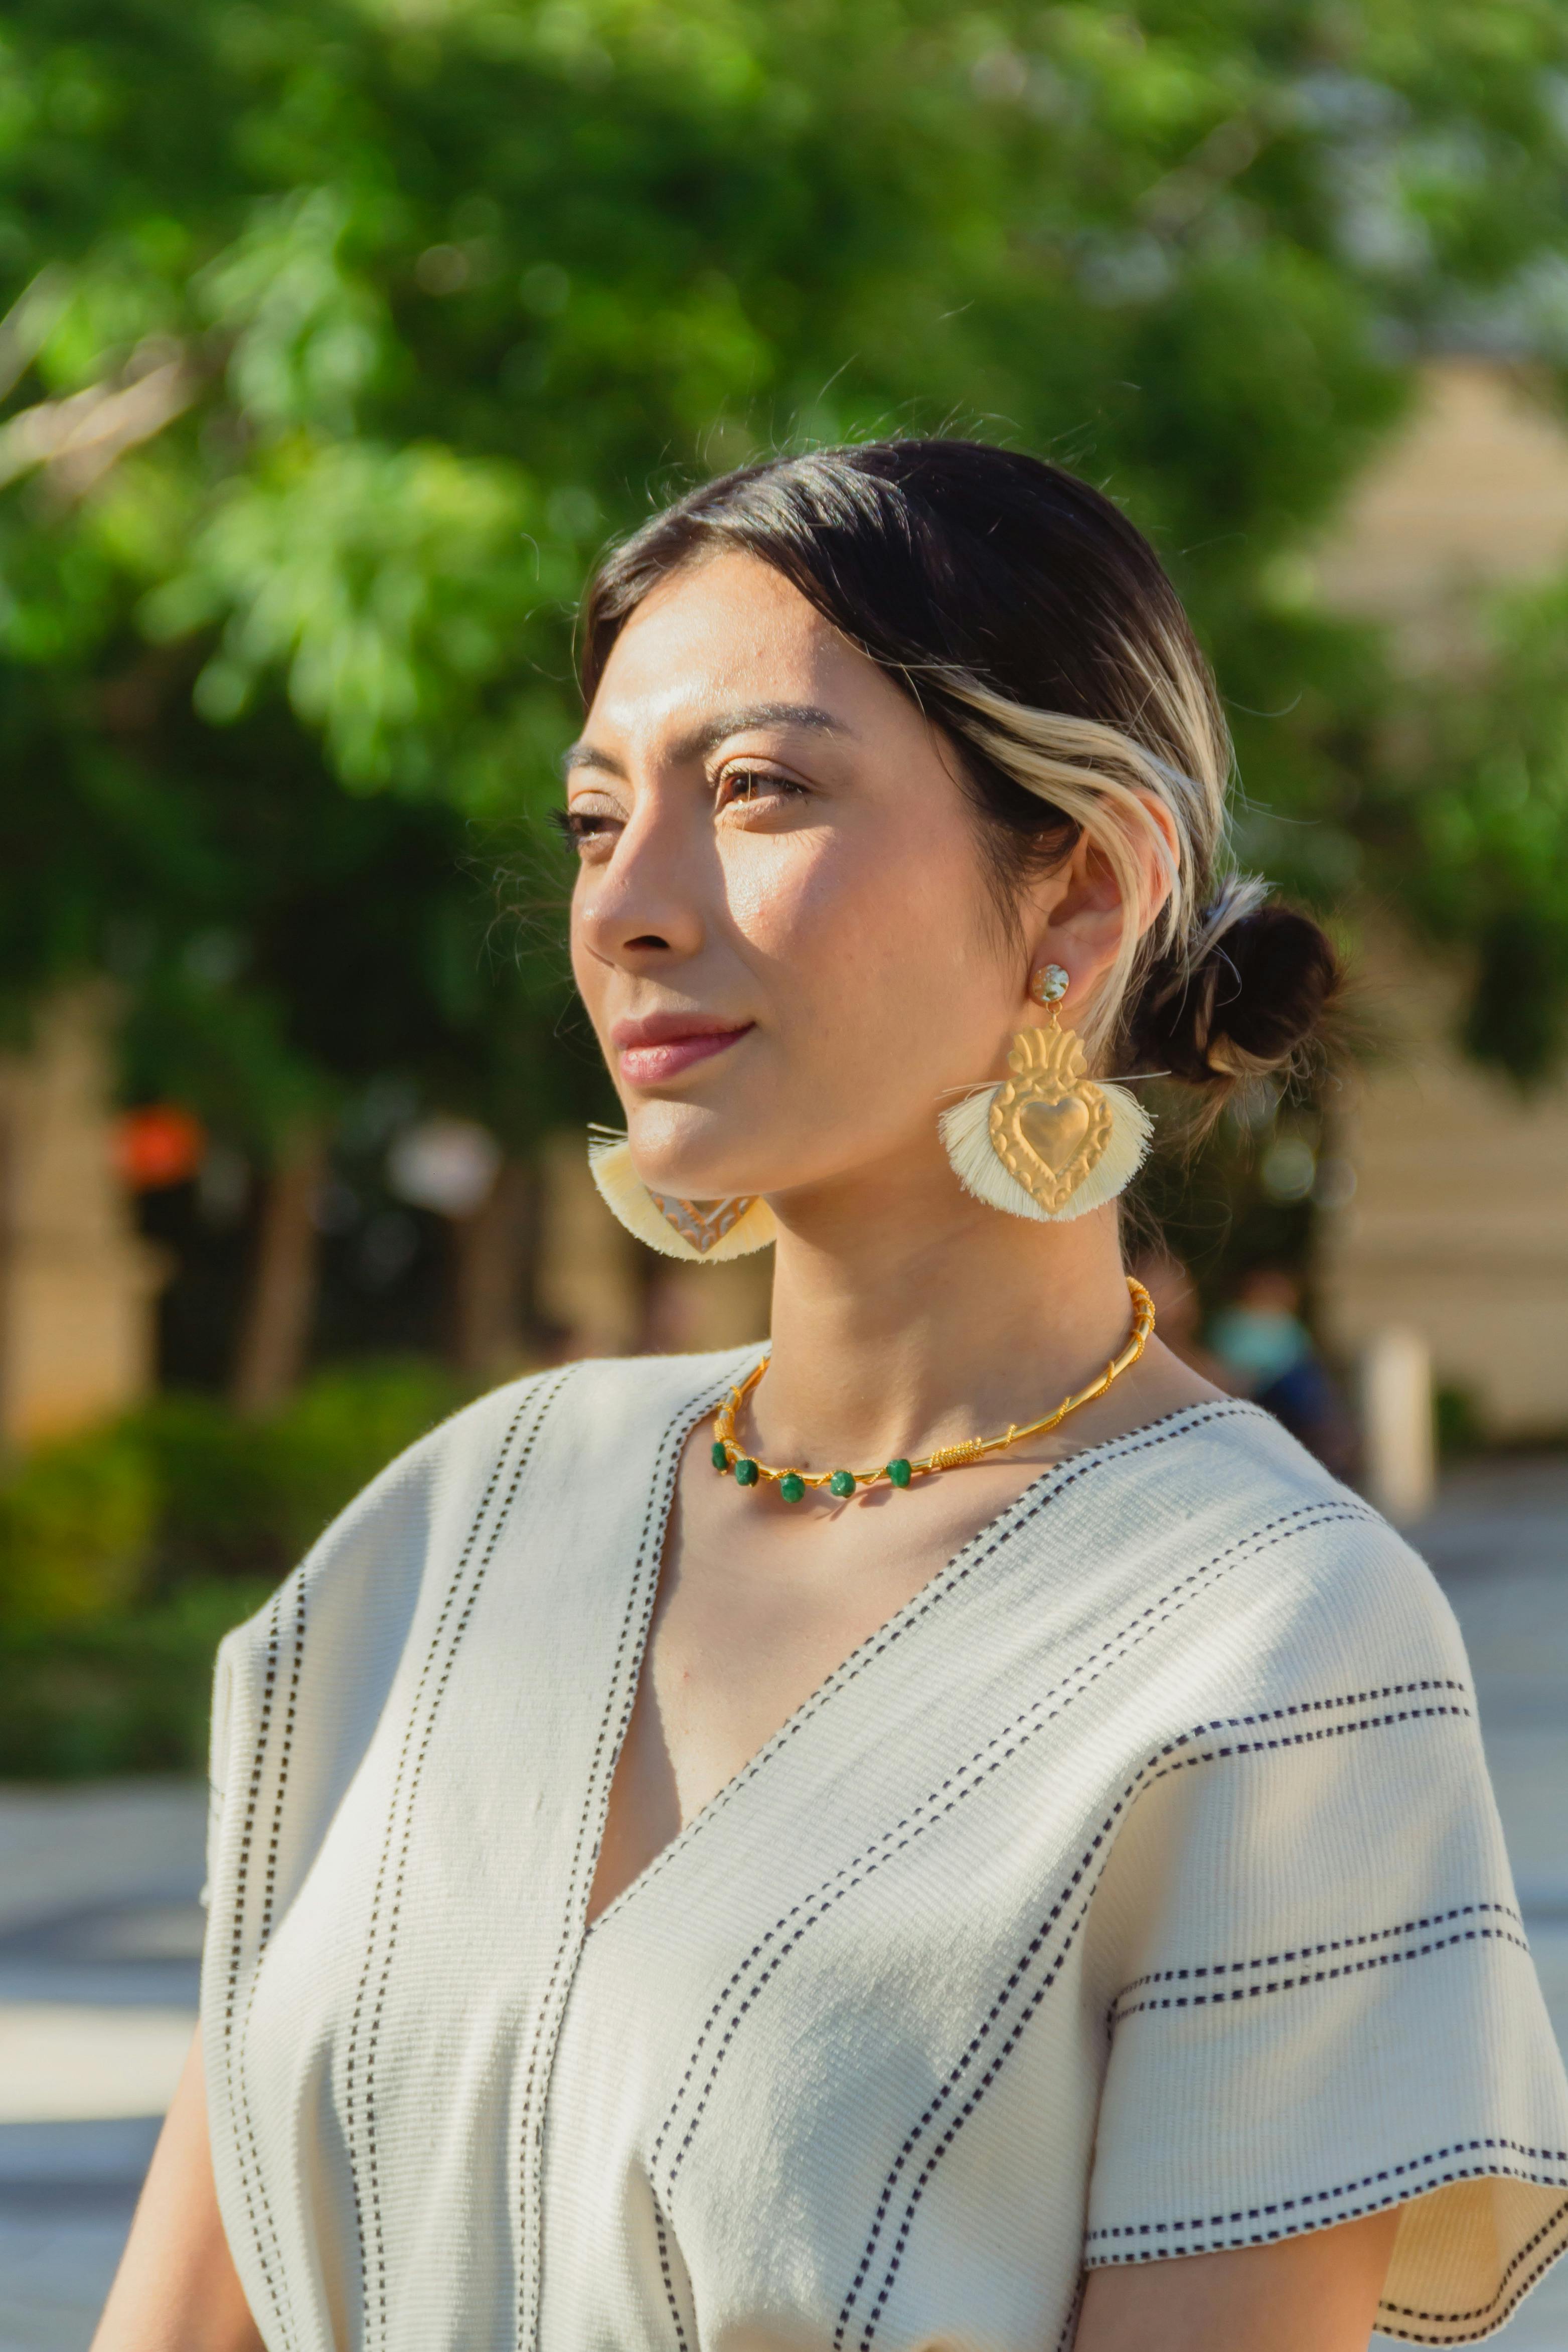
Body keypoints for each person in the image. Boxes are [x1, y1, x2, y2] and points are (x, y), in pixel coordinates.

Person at [93, 442, 1568, 2352]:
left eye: (760, 790)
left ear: (1085, 894)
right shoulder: (461, 1522)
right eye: (594, 816)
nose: (628, 902)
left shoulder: (1274, 1642)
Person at [1210, 1265, 1360, 1481]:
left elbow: (1304, 1359)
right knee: (1296, 1383)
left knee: (1305, 1380)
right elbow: (1235, 1368)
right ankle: (1331, 1433)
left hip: (1294, 1391)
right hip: (1263, 1390)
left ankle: (1330, 1430)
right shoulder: (1235, 1325)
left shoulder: (1289, 1326)